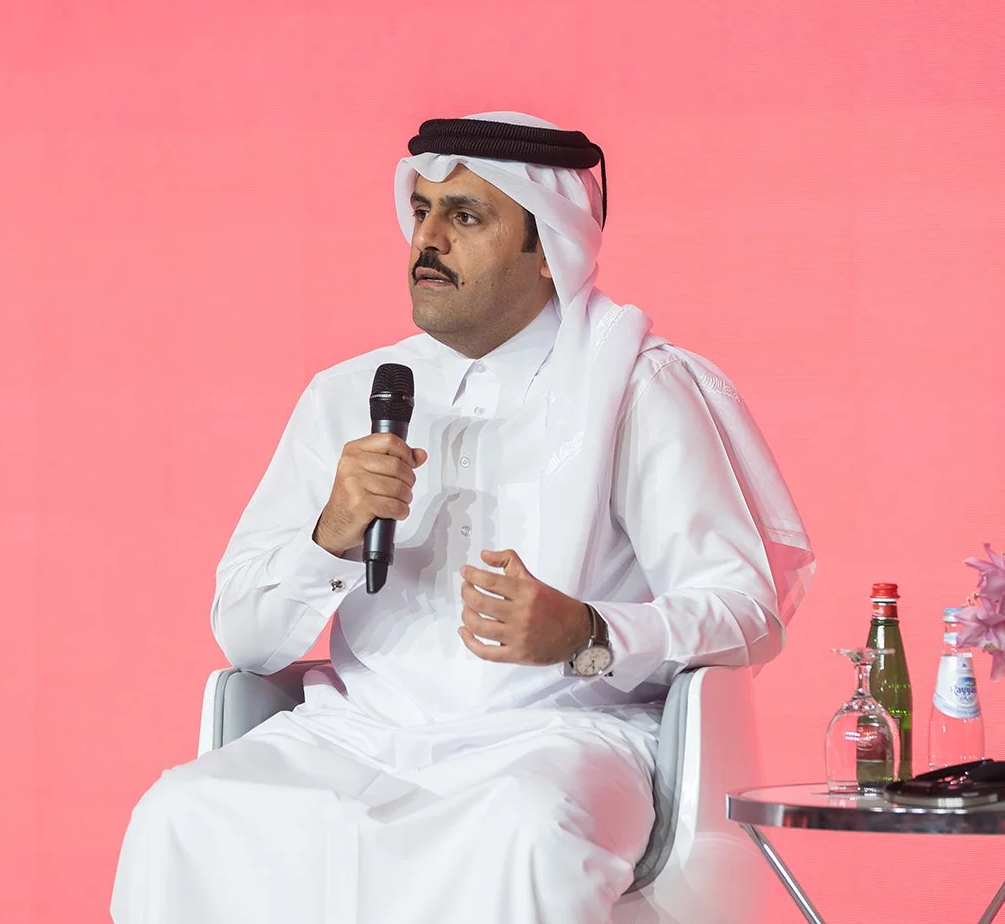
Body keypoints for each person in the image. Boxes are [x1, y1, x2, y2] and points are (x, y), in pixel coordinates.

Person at [109, 112, 813, 924]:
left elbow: (748, 612)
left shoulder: (637, 388)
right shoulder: (346, 394)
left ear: (548, 248)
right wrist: (328, 535)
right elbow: (245, 639)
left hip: (556, 737)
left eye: (466, 216)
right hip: (357, 733)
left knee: (523, 829)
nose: (428, 239)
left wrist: (589, 630)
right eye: (421, 211)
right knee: (183, 815)